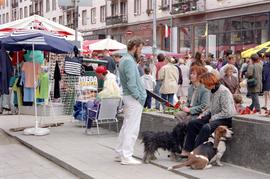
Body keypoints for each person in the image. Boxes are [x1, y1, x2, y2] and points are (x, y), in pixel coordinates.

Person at [180, 72, 235, 157]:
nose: (204, 86)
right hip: (214, 116)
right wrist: (203, 114)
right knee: (193, 123)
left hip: (225, 118)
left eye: (205, 84)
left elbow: (227, 112)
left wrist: (213, 118)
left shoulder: (223, 91)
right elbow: (210, 107)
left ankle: (196, 153)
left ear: (209, 83)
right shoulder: (212, 91)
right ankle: (188, 150)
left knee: (206, 127)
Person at [115, 37, 146, 165]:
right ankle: (126, 156)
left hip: (130, 97)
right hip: (133, 98)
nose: (141, 51)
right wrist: (139, 96)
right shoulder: (128, 61)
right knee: (132, 128)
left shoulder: (125, 59)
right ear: (135, 47)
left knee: (127, 126)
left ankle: (120, 152)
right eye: (141, 48)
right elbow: (132, 83)